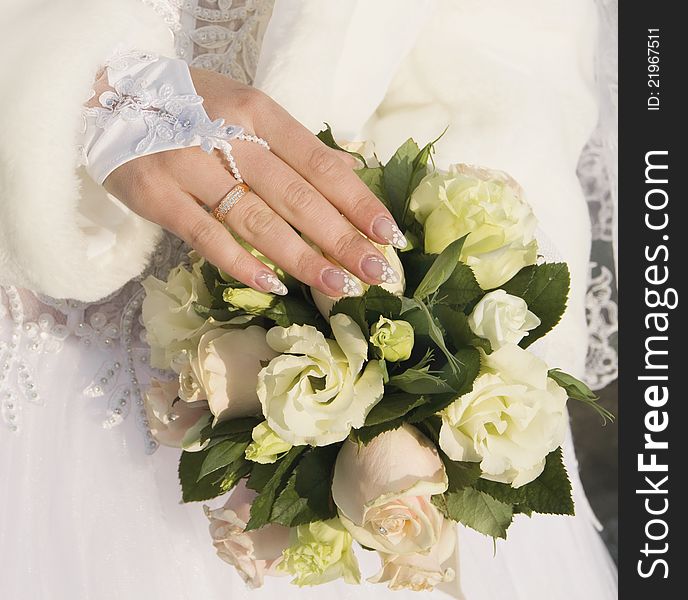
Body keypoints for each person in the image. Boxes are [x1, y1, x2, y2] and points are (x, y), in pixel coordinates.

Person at [0, 1, 617, 598]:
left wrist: (443, 315)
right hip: (51, 306)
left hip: (336, 411)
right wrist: (98, 91)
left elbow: (514, 62)